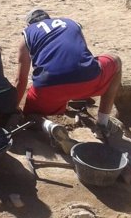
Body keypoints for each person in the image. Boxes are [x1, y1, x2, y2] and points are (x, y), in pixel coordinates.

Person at [15, 8, 123, 140]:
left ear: (29, 24)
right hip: (88, 78)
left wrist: (13, 108)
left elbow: (20, 80)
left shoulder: (27, 33)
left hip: (48, 87)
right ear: (49, 18)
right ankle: (103, 123)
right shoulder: (71, 23)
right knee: (116, 61)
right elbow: (82, 52)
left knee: (30, 116)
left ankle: (48, 126)